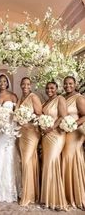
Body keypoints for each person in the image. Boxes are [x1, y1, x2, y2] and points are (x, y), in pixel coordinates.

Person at [0, 74, 21, 203]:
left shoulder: (13, 96)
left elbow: (17, 113)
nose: (2, 83)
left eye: (4, 81)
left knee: (9, 155)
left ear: (7, 83)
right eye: (0, 81)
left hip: (9, 130)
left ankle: (10, 189)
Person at [40, 82, 68, 210]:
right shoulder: (45, 102)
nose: (49, 89)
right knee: (47, 164)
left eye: (52, 88)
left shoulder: (60, 99)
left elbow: (63, 116)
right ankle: (47, 198)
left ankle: (57, 200)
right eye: (47, 87)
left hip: (56, 135)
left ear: (57, 89)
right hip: (45, 136)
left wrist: (52, 128)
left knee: (52, 162)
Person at [16, 77, 42, 206]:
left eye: (28, 84)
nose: (25, 86)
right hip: (22, 134)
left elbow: (39, 115)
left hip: (32, 133)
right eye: (23, 83)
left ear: (30, 86)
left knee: (26, 161)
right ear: (20, 85)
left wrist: (28, 118)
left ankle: (27, 196)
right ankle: (31, 193)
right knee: (26, 161)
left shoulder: (33, 97)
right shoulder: (20, 98)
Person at [61, 76, 85, 209]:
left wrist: (73, 124)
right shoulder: (63, 97)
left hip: (75, 133)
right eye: (65, 83)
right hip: (64, 133)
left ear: (75, 84)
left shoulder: (79, 98)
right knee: (65, 159)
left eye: (70, 83)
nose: (67, 86)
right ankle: (66, 194)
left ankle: (77, 195)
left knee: (71, 158)